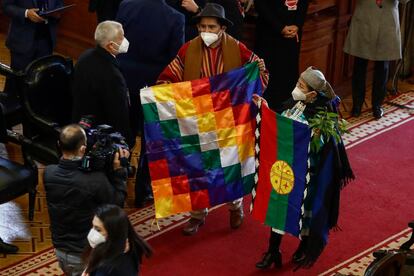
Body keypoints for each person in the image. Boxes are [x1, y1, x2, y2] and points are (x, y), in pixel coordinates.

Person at [158, 3, 268, 235]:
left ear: (222, 28)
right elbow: (170, 75)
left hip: (229, 121)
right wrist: (162, 93)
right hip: (197, 120)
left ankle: (235, 207)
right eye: (202, 26)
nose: (206, 31)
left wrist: (253, 89)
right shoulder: (188, 50)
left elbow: (259, 72)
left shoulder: (238, 49)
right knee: (198, 168)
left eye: (211, 27)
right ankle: (198, 213)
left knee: (229, 168)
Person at [255, 67, 354, 269]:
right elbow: (281, 124)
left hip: (307, 175)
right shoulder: (296, 103)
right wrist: (265, 109)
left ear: (313, 94)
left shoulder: (324, 118)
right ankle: (273, 251)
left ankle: (305, 246)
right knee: (278, 209)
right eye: (298, 82)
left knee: (305, 214)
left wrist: (314, 137)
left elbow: (324, 150)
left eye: (301, 86)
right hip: (285, 169)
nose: (296, 88)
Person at [115, 0, 185, 208]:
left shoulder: (126, 5)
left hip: (124, 81)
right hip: (154, 86)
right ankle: (142, 192)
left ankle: (118, 181)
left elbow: (117, 42)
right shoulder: (175, 18)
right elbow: (176, 59)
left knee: (123, 133)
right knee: (149, 141)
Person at [44, 124, 129, 276]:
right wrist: (119, 171)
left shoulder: (48, 173)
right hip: (85, 254)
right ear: (83, 149)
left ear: (58, 145)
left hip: (60, 250)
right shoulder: (95, 180)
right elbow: (116, 205)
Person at [72, 21, 134, 148]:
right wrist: (127, 140)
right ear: (111, 46)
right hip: (101, 134)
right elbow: (119, 114)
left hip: (81, 121)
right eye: (121, 37)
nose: (125, 40)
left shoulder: (85, 55)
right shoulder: (112, 76)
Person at [344, 0, 410, 119]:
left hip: (387, 20)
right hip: (364, 18)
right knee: (359, 66)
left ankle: (377, 105)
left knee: (383, 68)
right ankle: (357, 105)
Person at [254, 0, 309, 112]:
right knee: (268, 75)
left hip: (292, 36)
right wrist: (280, 27)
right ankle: (266, 113)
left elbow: (303, 3)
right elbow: (261, 5)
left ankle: (286, 112)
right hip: (268, 36)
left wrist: (297, 25)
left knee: (288, 74)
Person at [2, 0, 63, 97]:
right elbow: (6, 7)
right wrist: (26, 13)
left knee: (41, 82)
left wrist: (57, 12)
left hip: (46, 40)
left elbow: (59, 4)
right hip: (22, 41)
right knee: (16, 85)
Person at [82, 204, 152, 276]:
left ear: (113, 233)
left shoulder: (108, 267)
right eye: (93, 226)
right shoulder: (127, 246)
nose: (92, 232)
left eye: (98, 229)